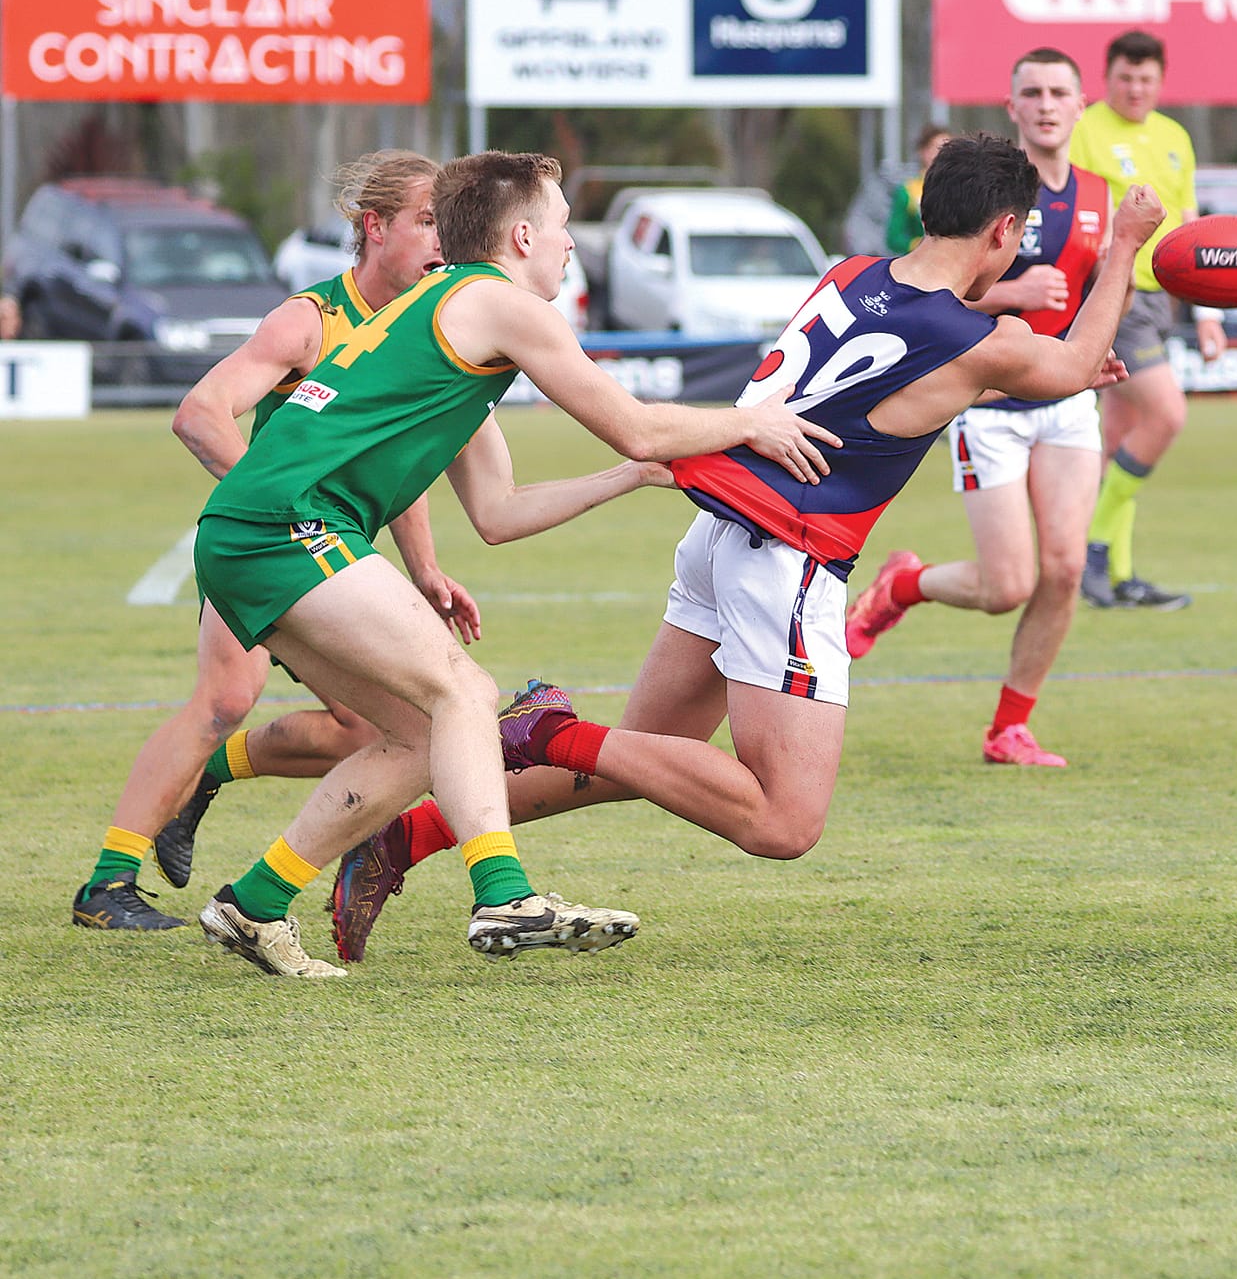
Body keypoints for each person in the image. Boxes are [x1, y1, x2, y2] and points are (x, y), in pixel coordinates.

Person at [323, 138, 1164, 963]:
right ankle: (546, 727)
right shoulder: (983, 340)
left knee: (641, 761)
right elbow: (1073, 359)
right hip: (787, 557)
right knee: (783, 821)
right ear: (1004, 233)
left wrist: (1019, 351)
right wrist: (1123, 244)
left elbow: (943, 343)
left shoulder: (853, 276)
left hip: (718, 535)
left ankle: (405, 837)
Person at [191, 149, 838, 977]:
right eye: (564, 227)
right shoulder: (499, 303)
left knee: (425, 736)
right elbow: (637, 422)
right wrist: (747, 423)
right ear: (523, 233)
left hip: (252, 527)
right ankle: (503, 893)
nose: (572, 246)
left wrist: (627, 478)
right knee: (467, 691)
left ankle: (254, 902)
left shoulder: (445, 311)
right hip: (287, 522)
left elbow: (498, 514)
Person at [70, 151, 479, 932]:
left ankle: (207, 780)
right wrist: (273, 501)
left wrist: (426, 568)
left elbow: (398, 464)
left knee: (372, 728)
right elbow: (199, 412)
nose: (443, 239)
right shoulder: (309, 320)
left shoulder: (419, 328)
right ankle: (107, 883)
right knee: (224, 698)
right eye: (429, 220)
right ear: (374, 226)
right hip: (269, 547)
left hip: (333, 557)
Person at [841, 47, 1112, 768]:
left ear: (1083, 103)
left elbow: (1103, 296)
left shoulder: (1104, 197)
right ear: (1011, 107)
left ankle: (1009, 728)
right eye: (1034, 92)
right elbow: (923, 298)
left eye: (1061, 91)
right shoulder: (984, 190)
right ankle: (903, 584)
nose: (1048, 103)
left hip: (1065, 398)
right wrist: (1011, 296)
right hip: (987, 401)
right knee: (1006, 585)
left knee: (1064, 567)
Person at [1069, 28, 1224, 610]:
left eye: (1146, 79)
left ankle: (1120, 577)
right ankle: (1097, 550)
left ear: (1161, 81)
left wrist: (1208, 312)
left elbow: (1190, 226)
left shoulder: (1175, 136)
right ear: (1107, 78)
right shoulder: (1084, 130)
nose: (1135, 89)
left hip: (1166, 297)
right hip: (1117, 294)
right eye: (1125, 78)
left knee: (1120, 439)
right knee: (1167, 415)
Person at [886, 123, 951, 254]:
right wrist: (918, 244)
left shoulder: (961, 188)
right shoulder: (908, 191)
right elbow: (893, 238)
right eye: (938, 148)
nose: (944, 153)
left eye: (949, 147)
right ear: (923, 152)